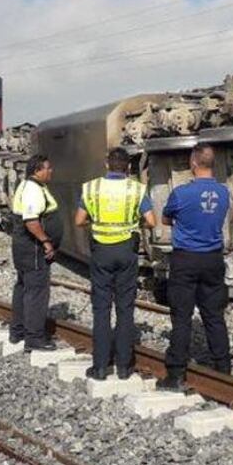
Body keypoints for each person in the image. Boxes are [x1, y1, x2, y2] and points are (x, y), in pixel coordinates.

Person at [75, 148, 156, 381]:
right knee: (125, 308)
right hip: (126, 252)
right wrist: (132, 221)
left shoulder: (92, 188)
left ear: (106, 164)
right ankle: (123, 367)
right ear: (128, 167)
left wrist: (96, 220)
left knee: (101, 310)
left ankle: (100, 367)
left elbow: (79, 220)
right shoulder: (136, 189)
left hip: (101, 252)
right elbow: (151, 221)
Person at [157, 143, 231, 391]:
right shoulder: (223, 193)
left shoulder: (181, 193)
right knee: (214, 316)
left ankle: (176, 374)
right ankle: (223, 370)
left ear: (193, 163)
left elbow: (166, 218)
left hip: (186, 259)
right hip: (213, 258)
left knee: (181, 318)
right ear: (213, 164)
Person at [9, 154, 64, 352]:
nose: (51, 171)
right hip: (33, 248)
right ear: (37, 170)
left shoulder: (26, 185)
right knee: (36, 291)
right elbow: (31, 221)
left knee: (23, 287)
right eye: (47, 168)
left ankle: (17, 331)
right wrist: (46, 242)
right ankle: (34, 337)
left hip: (22, 247)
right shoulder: (33, 190)